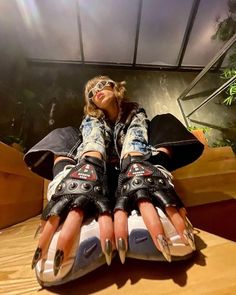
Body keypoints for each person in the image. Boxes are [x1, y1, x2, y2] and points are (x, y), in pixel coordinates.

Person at [24, 75, 204, 286]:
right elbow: (93, 140)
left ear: (115, 87)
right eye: (91, 93)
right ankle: (77, 200)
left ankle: (151, 192)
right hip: (101, 180)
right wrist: (88, 169)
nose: (96, 92)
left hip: (137, 171)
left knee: (162, 121)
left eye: (101, 85)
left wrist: (136, 167)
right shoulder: (92, 120)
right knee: (65, 134)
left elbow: (136, 137)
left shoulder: (135, 112)